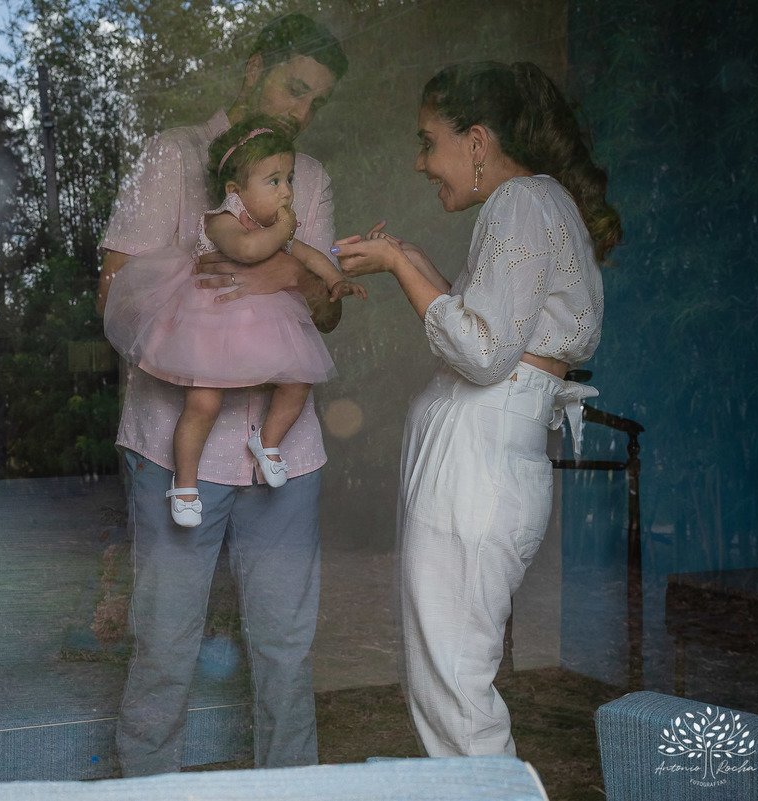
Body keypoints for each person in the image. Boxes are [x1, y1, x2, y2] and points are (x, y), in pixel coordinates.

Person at [331, 61, 622, 757]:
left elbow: (483, 350)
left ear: (478, 140)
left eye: (429, 140)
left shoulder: (519, 203)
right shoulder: (543, 203)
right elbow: (489, 328)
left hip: (476, 458)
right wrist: (405, 255)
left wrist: (402, 269)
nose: (420, 161)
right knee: (453, 686)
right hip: (491, 452)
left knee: (453, 695)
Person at [95, 13, 349, 776]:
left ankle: (292, 792)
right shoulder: (171, 155)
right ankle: (145, 791)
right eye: (294, 89)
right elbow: (114, 294)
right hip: (177, 440)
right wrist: (258, 279)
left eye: (317, 102)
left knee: (284, 647)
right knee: (167, 640)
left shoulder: (311, 179)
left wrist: (257, 275)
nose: (302, 115)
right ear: (252, 68)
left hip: (285, 451)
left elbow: (327, 303)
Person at [104, 117, 366, 527]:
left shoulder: (276, 229)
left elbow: (311, 256)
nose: (286, 192)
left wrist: (335, 279)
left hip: (259, 330)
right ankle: (186, 483)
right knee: (203, 403)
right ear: (235, 191)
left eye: (289, 179)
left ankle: (268, 441)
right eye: (274, 181)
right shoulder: (222, 219)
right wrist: (282, 232)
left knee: (297, 383)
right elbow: (246, 250)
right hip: (213, 329)